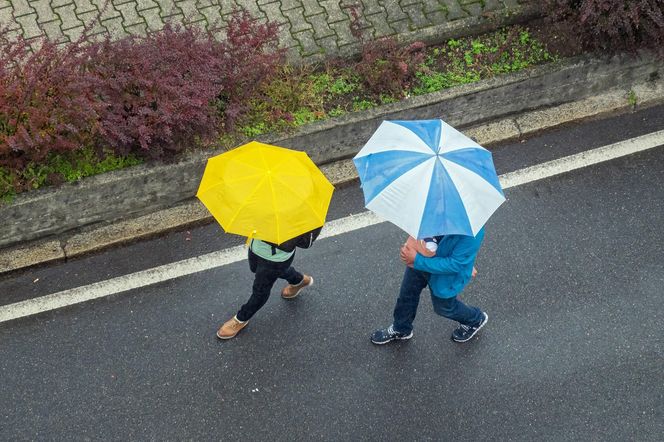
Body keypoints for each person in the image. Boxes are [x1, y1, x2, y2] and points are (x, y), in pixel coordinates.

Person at [371, 228, 487, 345]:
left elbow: (455, 264)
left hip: (443, 276)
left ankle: (476, 319)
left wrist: (416, 259)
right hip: (421, 259)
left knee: (444, 308)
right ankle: (401, 328)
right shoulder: (439, 211)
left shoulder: (473, 231)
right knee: (407, 295)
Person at [217, 226, 322, 339]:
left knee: (261, 290)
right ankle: (299, 280)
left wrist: (275, 234)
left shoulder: (302, 212)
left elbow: (306, 242)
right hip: (255, 245)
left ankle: (241, 319)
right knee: (256, 269)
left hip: (275, 258)